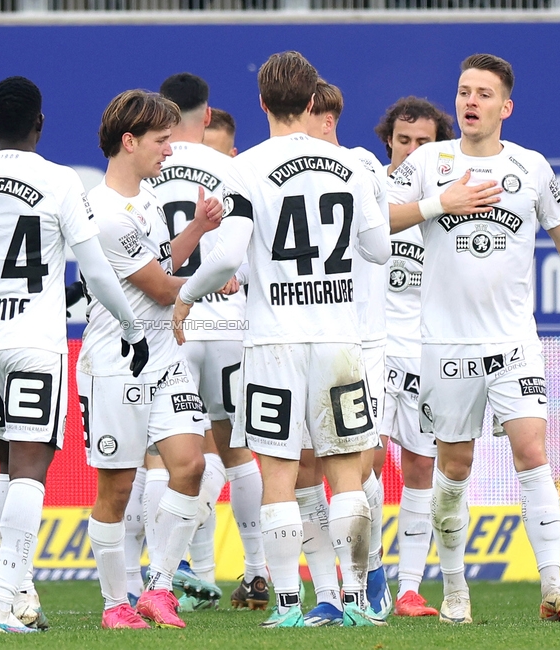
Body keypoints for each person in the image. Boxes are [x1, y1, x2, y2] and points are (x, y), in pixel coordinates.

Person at [387, 53, 560, 624]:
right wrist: (434, 204)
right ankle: (454, 591)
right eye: (464, 91)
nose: (470, 102)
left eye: (484, 94)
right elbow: (376, 221)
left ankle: (552, 585)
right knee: (455, 468)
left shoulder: (530, 167)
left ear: (506, 107)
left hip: (513, 342)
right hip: (445, 347)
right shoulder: (427, 162)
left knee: (531, 451)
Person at [0, 76, 149, 635]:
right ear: (41, 123)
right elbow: (96, 271)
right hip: (35, 344)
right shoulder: (60, 181)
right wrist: (132, 328)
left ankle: (22, 596)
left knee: (7, 467)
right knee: (31, 471)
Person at [173, 51, 391, 628]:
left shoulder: (245, 168)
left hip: (273, 342)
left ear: (264, 103)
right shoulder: (349, 165)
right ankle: (351, 602)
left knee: (278, 476)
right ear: (315, 103)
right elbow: (378, 249)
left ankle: (290, 607)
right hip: (340, 339)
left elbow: (226, 255)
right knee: (347, 473)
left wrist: (186, 296)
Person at [79, 89, 222, 630]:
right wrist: (213, 279)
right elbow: (163, 289)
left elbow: (163, 261)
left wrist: (197, 230)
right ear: (129, 141)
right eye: (162, 141)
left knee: (191, 466)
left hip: (165, 357)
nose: (170, 151)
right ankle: (116, 601)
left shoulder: (149, 200)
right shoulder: (103, 214)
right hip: (116, 364)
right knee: (115, 488)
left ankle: (159, 587)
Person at [149, 72, 268, 612]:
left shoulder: (146, 168)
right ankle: (257, 569)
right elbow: (243, 258)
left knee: (165, 453)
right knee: (235, 446)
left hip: (167, 323)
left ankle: (168, 575)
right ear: (207, 112)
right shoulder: (231, 169)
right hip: (226, 324)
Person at [299, 78, 394, 626]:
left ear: (325, 118)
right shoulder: (280, 169)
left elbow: (380, 242)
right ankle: (330, 593)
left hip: (362, 336)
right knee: (308, 462)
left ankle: (368, 574)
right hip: (304, 334)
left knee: (360, 460)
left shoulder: (359, 166)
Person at [372, 96, 455, 618]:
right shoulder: (370, 188)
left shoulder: (458, 198)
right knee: (366, 463)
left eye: (424, 142)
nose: (412, 150)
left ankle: (408, 589)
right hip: (374, 350)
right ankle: (367, 577)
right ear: (390, 141)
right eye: (404, 140)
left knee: (423, 465)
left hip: (428, 355)